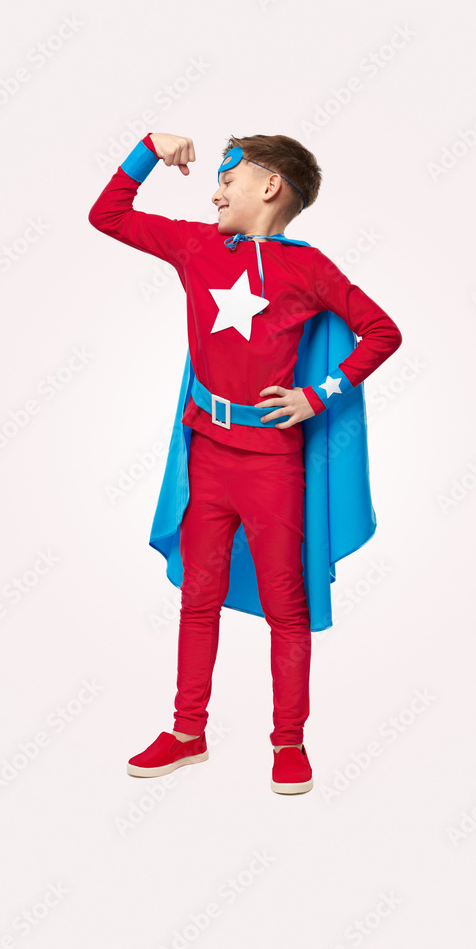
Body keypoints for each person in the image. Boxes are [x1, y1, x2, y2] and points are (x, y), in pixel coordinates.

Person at [88, 130, 402, 794]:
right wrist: (148, 149)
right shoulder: (197, 246)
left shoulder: (309, 269)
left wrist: (319, 395)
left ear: (269, 186)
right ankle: (186, 733)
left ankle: (288, 741)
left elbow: (382, 331)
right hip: (208, 457)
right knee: (196, 600)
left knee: (287, 607)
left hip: (272, 465)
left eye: (227, 178)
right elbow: (107, 215)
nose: (214, 192)